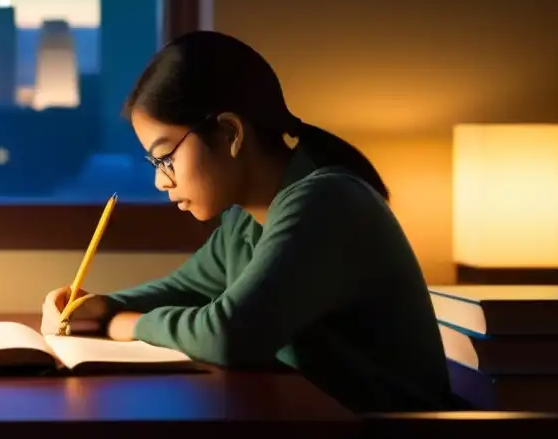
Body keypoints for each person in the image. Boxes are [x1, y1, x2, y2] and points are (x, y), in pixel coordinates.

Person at [41, 30, 454, 413]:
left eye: (166, 157)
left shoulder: (325, 202)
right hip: (323, 435)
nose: (159, 180)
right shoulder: (244, 220)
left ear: (230, 133)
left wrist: (127, 324)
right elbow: (184, 291)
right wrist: (100, 305)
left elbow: (228, 335)